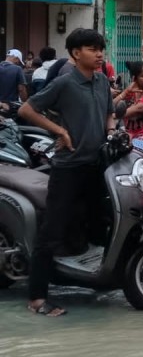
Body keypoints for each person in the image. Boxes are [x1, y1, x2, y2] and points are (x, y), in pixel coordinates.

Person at [18, 28, 114, 316]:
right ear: (75, 53)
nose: (99, 54)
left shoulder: (101, 81)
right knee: (52, 232)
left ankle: (92, 279)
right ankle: (36, 298)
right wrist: (60, 130)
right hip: (68, 167)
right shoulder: (64, 82)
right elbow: (26, 110)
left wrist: (111, 132)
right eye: (91, 49)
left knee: (97, 223)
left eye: (100, 49)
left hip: (96, 164)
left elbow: (110, 112)